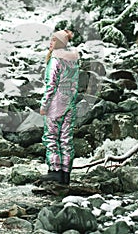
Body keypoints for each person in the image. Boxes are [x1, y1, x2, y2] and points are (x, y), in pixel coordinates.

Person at [40, 29, 79, 185]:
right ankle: (65, 173)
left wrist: (44, 105)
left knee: (51, 137)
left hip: (55, 104)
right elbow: (75, 85)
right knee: (66, 138)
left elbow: (51, 85)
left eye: (54, 40)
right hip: (69, 103)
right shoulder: (73, 60)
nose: (51, 43)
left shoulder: (55, 59)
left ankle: (55, 170)